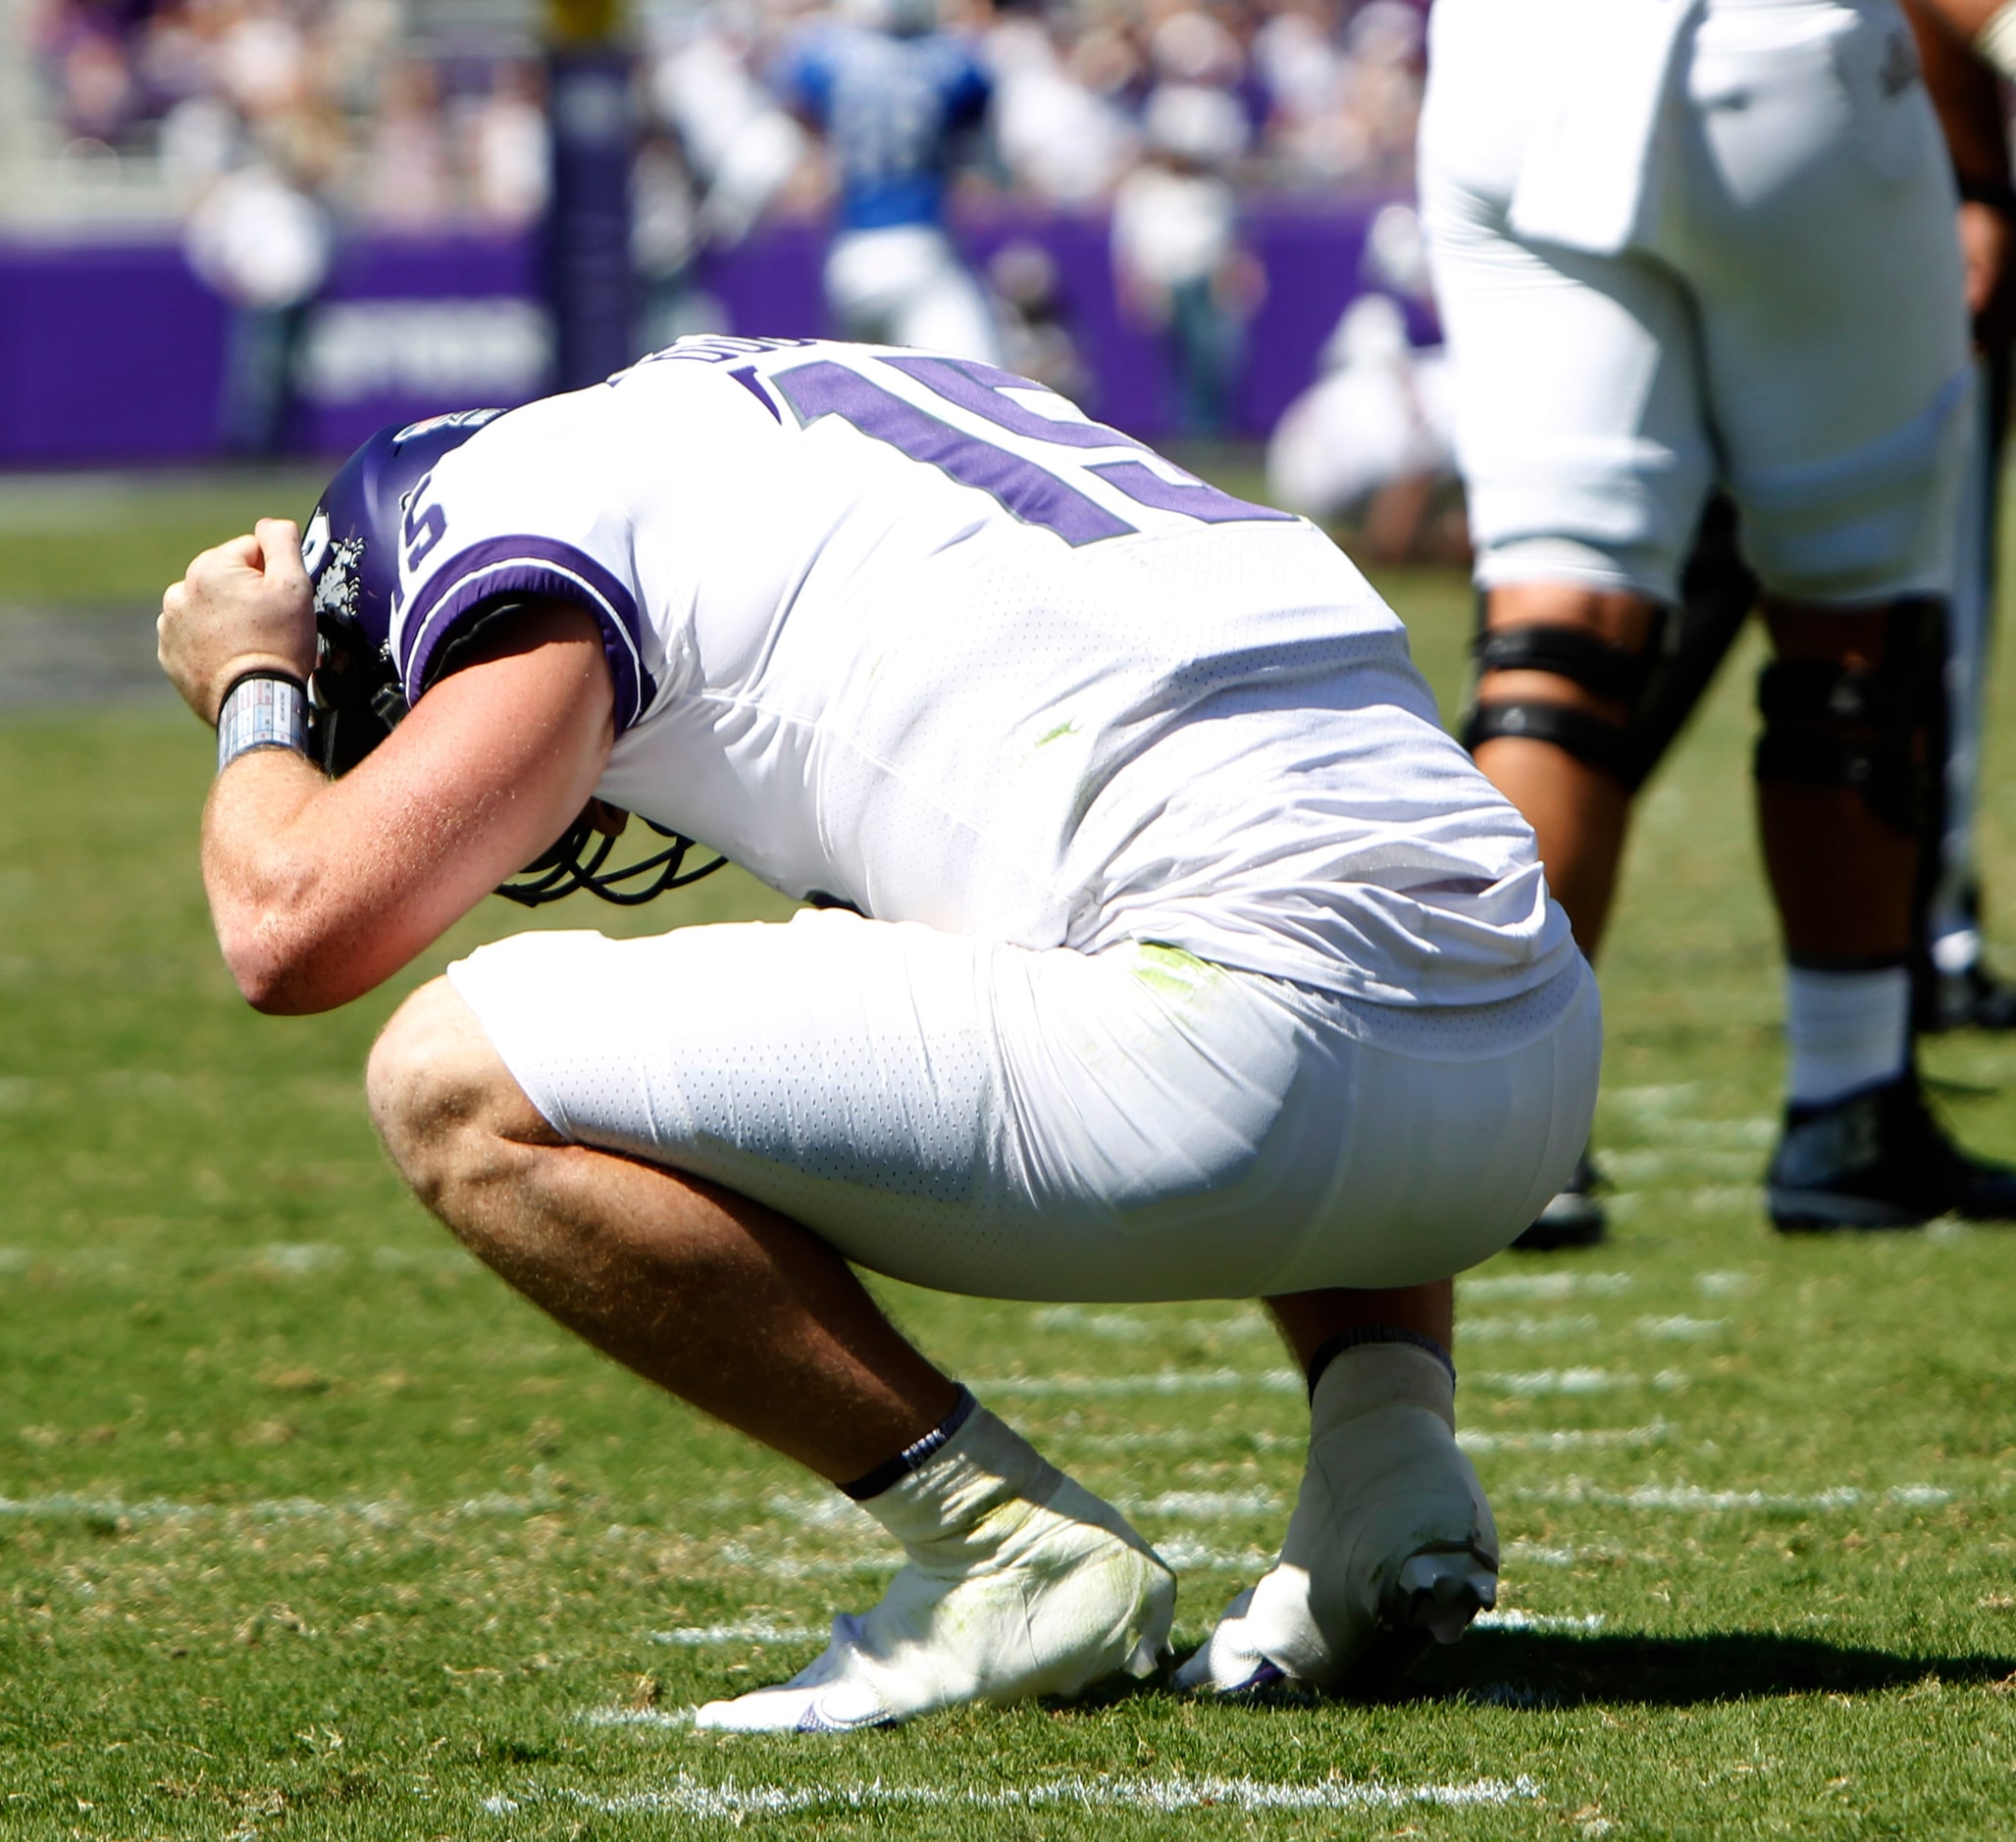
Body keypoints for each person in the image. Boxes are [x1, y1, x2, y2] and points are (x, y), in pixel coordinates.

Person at [156, 335, 1598, 1724]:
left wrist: (253, 686)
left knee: (451, 1075)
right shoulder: (817, 435)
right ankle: (1384, 1457)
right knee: (1177, 874)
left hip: (1241, 1064)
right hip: (1526, 1073)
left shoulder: (518, 509)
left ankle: (999, 1549)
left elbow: (293, 926)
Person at [1421, 0, 2016, 1237]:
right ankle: (1849, 1105)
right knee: (1858, 608)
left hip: (1507, 65)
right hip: (1781, 66)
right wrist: (1983, 164)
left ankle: (1499, 1128)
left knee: (1557, 617)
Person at [775, 0, 1001, 362]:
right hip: (921, 250)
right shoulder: (953, 60)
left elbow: (797, 105)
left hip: (850, 257)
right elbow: (975, 136)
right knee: (978, 386)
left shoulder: (824, 54)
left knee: (873, 405)